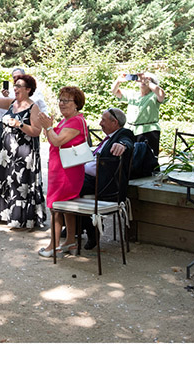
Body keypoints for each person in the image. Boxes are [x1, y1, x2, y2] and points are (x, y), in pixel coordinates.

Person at [0, 74, 46, 230]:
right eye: (15, 86)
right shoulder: (12, 102)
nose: (15, 88)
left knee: (19, 182)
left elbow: (36, 131)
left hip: (23, 152)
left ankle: (20, 218)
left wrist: (19, 124)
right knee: (3, 180)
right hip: (6, 152)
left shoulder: (33, 107)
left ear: (28, 89)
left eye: (19, 86)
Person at [36, 86, 88, 257]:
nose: (62, 103)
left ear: (76, 104)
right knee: (66, 206)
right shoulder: (68, 120)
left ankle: (54, 245)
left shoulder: (76, 121)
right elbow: (53, 139)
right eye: (61, 100)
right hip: (61, 169)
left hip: (66, 173)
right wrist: (48, 128)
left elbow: (57, 141)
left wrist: (48, 127)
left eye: (67, 100)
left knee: (56, 206)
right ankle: (70, 241)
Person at [79, 107, 134, 249]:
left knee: (71, 187)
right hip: (91, 178)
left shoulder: (123, 134)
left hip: (105, 184)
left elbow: (127, 141)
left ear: (114, 122)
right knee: (65, 182)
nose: (100, 123)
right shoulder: (109, 137)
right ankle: (75, 226)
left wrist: (122, 145)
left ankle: (91, 231)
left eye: (103, 120)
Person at [112, 71, 166, 159]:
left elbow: (161, 94)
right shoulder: (133, 94)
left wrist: (147, 81)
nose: (142, 81)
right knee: (129, 158)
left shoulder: (154, 95)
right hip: (131, 131)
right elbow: (114, 91)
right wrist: (118, 81)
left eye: (147, 79)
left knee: (148, 159)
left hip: (149, 131)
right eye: (141, 79)